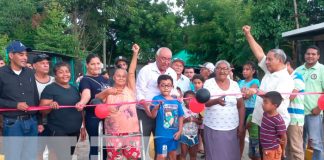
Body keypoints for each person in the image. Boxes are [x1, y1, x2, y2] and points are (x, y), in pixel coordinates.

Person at [242, 25, 294, 128]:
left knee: (273, 145)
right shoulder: (270, 71)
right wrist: (248, 34)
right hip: (262, 121)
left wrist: (255, 91)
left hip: (275, 125)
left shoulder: (286, 79)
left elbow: (275, 98)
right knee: (262, 144)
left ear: (279, 60)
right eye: (267, 59)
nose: (266, 62)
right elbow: (259, 53)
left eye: (270, 59)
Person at [0, 40, 40, 160]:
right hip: (13, 124)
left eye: (26, 55)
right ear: (11, 55)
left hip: (32, 122)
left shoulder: (30, 72)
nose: (25, 58)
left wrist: (39, 121)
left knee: (30, 156)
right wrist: (15, 105)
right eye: (21, 54)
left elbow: (35, 96)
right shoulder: (1, 73)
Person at [136, 47, 178, 157]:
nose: (166, 62)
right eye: (163, 58)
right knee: (143, 142)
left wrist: (178, 98)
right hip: (144, 112)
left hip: (164, 114)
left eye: (169, 59)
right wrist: (147, 108)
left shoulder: (172, 72)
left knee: (162, 144)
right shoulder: (146, 70)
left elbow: (173, 92)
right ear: (156, 57)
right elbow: (139, 92)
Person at [102, 44, 140, 159]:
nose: (122, 78)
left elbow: (132, 72)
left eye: (124, 76)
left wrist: (135, 53)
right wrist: (107, 92)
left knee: (132, 158)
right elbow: (97, 98)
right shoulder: (108, 91)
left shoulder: (130, 89)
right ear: (113, 77)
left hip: (131, 132)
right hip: (113, 133)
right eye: (118, 76)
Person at [39, 62, 83, 160]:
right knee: (64, 157)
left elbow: (80, 109)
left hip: (75, 130)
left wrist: (82, 127)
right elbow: (43, 110)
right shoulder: (50, 89)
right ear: (55, 75)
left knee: (69, 156)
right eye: (61, 72)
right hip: (58, 130)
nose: (65, 74)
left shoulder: (74, 89)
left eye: (67, 72)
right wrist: (50, 105)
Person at [203, 60, 245, 160]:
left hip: (232, 126)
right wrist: (216, 101)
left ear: (229, 70)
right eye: (219, 68)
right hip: (213, 126)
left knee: (231, 155)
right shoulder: (209, 83)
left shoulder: (234, 84)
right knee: (214, 155)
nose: (222, 71)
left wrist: (241, 125)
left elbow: (241, 106)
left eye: (225, 68)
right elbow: (204, 102)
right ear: (215, 70)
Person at [78, 53, 113, 159]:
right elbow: (86, 94)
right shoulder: (85, 80)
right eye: (93, 64)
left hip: (107, 117)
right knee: (95, 146)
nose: (96, 66)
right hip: (93, 118)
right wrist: (82, 102)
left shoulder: (105, 79)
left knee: (107, 147)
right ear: (87, 65)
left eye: (98, 63)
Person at [144, 74, 184, 160]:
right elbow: (153, 116)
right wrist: (155, 108)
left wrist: (180, 131)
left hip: (174, 135)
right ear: (158, 86)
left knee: (173, 155)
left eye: (168, 85)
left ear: (172, 87)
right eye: (163, 85)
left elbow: (181, 116)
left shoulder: (176, 101)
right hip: (162, 136)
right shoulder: (156, 99)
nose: (166, 88)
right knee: (162, 156)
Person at [295, 45, 324, 160]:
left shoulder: (322, 69)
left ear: (318, 56)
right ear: (304, 55)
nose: (310, 56)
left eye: (313, 54)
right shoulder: (298, 70)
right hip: (298, 114)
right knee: (299, 142)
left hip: (314, 114)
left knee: (316, 144)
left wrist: (319, 108)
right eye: (308, 54)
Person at [32, 53, 55, 159]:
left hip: (54, 122)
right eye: (42, 63)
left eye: (47, 63)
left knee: (54, 151)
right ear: (34, 66)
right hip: (37, 123)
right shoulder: (29, 81)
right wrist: (38, 122)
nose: (46, 65)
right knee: (38, 151)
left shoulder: (54, 80)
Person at [285, 57, 305, 160]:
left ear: (287, 64)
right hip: (288, 118)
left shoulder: (297, 77)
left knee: (296, 149)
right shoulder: (287, 78)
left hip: (295, 118)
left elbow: (291, 96)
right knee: (288, 149)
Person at [238, 61, 260, 157]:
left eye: (247, 69)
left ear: (253, 71)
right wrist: (243, 94)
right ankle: (238, 156)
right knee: (240, 134)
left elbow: (247, 96)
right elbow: (240, 96)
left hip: (251, 110)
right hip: (240, 109)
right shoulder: (240, 82)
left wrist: (243, 94)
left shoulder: (255, 81)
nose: (244, 71)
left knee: (253, 136)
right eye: (244, 69)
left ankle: (255, 156)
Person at [260, 91, 287, 160]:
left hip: (273, 151)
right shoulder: (265, 114)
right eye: (263, 101)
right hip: (266, 149)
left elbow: (284, 137)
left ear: (274, 106)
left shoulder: (278, 120)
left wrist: (283, 150)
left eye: (265, 102)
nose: (263, 104)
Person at [179, 91, 201, 160]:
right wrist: (185, 120)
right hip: (183, 135)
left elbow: (201, 122)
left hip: (194, 135)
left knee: (193, 155)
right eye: (188, 99)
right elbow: (177, 122)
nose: (190, 100)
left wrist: (196, 120)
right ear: (184, 99)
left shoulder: (198, 108)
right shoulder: (181, 108)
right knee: (183, 154)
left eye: (192, 99)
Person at [191, 74, 205, 156]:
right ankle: (194, 153)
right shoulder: (191, 94)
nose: (197, 85)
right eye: (195, 83)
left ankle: (207, 153)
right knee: (195, 135)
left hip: (204, 118)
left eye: (199, 83)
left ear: (202, 83)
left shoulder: (206, 93)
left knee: (203, 136)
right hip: (194, 117)